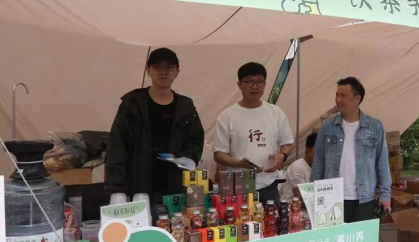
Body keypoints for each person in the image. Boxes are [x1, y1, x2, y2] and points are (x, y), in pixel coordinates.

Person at [106, 47, 205, 201]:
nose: (163, 72)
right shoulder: (132, 103)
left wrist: (186, 159)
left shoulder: (185, 106)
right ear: (148, 70)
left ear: (177, 72)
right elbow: (117, 146)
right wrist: (118, 188)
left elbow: (196, 139)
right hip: (138, 181)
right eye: (157, 67)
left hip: (175, 182)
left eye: (169, 67)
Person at [312, 77, 392, 222]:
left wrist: (385, 195)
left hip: (364, 199)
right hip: (331, 197)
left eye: (343, 95)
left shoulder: (375, 127)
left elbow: (382, 164)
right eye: (337, 95)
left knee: (361, 237)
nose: (338, 100)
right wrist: (313, 195)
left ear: (357, 98)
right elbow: (318, 163)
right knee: (333, 237)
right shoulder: (327, 126)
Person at [213, 62, 295, 205]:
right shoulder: (227, 115)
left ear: (264, 84)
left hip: (269, 184)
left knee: (272, 218)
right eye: (249, 81)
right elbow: (219, 154)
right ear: (239, 84)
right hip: (238, 185)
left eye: (259, 81)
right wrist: (239, 163)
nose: (255, 86)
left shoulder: (275, 112)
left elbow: (287, 144)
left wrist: (281, 156)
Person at [282, 132, 316, 201]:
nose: (323, 153)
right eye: (319, 150)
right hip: (292, 205)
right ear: (308, 150)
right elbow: (301, 197)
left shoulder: (322, 167)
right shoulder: (297, 167)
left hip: (314, 204)